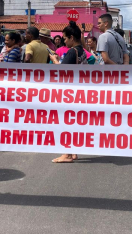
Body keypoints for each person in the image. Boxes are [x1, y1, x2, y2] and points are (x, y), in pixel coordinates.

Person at [49, 21, 88, 163]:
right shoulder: (82, 50)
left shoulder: (72, 51)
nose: (64, 41)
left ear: (72, 37)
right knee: (73, 123)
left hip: (70, 94)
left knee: (66, 123)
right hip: (79, 92)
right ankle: (73, 152)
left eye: (65, 38)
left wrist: (54, 60)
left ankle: (66, 154)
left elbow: (62, 72)